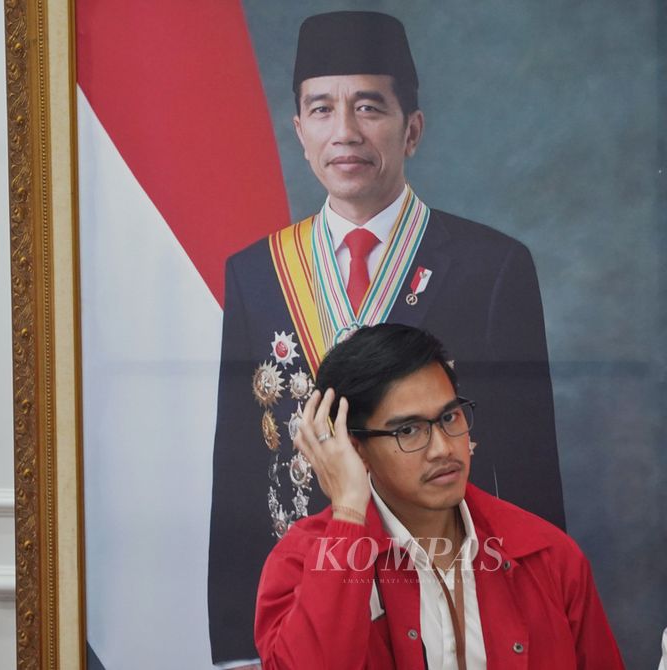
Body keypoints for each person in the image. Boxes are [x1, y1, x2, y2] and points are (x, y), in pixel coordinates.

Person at [208, 11, 564, 666]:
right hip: (312, 601)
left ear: (413, 129)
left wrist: (536, 618)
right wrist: (236, 646)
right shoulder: (256, 273)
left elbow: (530, 468)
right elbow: (236, 475)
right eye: (321, 109)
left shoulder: (492, 266)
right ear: (299, 131)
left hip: (459, 599)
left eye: (369, 107)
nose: (344, 132)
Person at [255, 323, 622, 669]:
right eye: (409, 430)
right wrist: (349, 509)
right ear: (355, 449)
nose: (443, 448)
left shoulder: (548, 556)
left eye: (449, 418)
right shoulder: (302, 562)